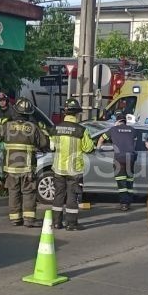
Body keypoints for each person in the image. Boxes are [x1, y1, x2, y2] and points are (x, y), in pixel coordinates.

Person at [0, 97, 49, 227]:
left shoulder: (7, 126)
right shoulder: (33, 128)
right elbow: (45, 143)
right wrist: (44, 130)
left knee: (13, 192)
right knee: (28, 192)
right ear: (29, 113)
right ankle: (29, 220)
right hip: (27, 168)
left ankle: (15, 219)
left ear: (15, 111)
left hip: (11, 168)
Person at [50, 98, 95, 230]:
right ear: (77, 113)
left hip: (58, 168)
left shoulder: (56, 128)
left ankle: (56, 223)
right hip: (74, 170)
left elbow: (52, 146)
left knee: (58, 195)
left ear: (65, 111)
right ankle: (71, 224)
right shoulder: (82, 130)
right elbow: (88, 148)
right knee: (72, 196)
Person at [97, 111, 139, 211]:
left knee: (121, 181)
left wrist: (98, 149)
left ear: (117, 121)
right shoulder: (133, 130)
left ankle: (124, 203)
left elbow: (101, 139)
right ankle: (128, 202)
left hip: (119, 158)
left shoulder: (113, 129)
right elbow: (135, 143)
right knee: (129, 180)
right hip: (131, 157)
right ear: (125, 121)